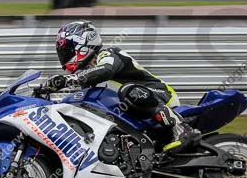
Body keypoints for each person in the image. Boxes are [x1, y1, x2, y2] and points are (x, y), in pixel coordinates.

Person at [41, 20, 200, 151]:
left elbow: (106, 70)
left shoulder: (108, 54)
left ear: (84, 42)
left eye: (68, 51)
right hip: (136, 115)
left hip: (160, 96)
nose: (65, 56)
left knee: (128, 90)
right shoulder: (88, 80)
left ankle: (181, 128)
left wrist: (68, 80)